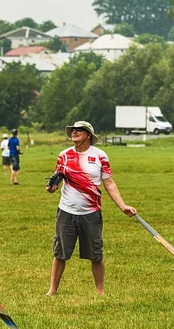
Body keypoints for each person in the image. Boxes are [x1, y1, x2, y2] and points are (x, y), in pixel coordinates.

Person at [45, 120, 136, 296]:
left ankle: (100, 292)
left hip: (91, 213)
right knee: (60, 253)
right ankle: (52, 291)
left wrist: (122, 206)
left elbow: (109, 183)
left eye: (79, 130)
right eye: (73, 130)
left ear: (88, 135)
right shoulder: (64, 155)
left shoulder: (100, 156)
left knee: (96, 254)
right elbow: (57, 180)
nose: (74, 132)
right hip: (66, 212)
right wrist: (51, 188)